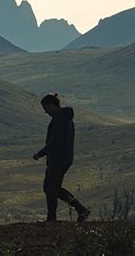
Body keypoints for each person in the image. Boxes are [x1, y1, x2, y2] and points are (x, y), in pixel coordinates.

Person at [33, 93, 90, 222]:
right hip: (64, 158)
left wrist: (40, 153)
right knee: (52, 188)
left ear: (52, 105)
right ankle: (53, 217)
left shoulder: (59, 119)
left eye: (46, 108)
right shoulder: (67, 119)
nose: (45, 112)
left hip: (58, 159)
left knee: (51, 187)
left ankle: (80, 210)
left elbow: (55, 142)